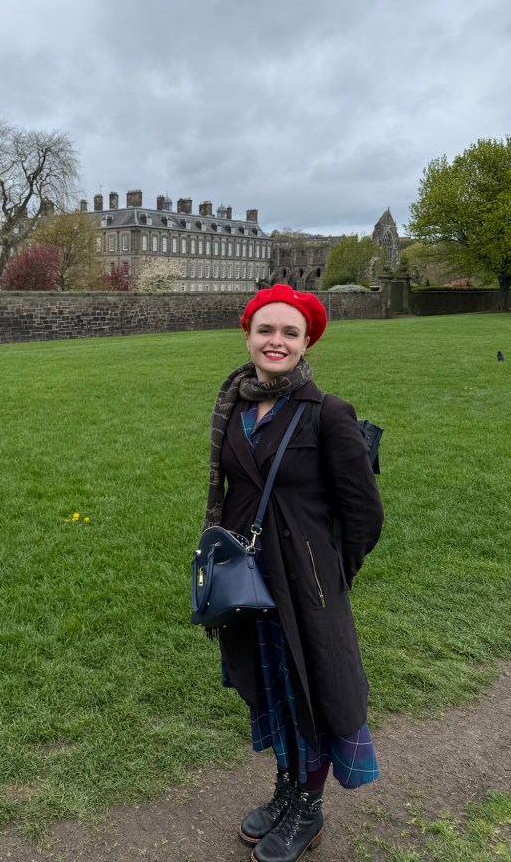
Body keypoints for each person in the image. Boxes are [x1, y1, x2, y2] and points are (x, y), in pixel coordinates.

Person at [202, 284, 384, 862]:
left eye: (289, 333)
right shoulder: (232, 403)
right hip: (248, 580)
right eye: (265, 330)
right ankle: (286, 789)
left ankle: (309, 807)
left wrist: (327, 573)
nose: (275, 342)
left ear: (307, 344)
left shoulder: (327, 413)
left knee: (315, 693)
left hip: (305, 583)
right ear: (248, 335)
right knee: (272, 689)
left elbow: (363, 514)